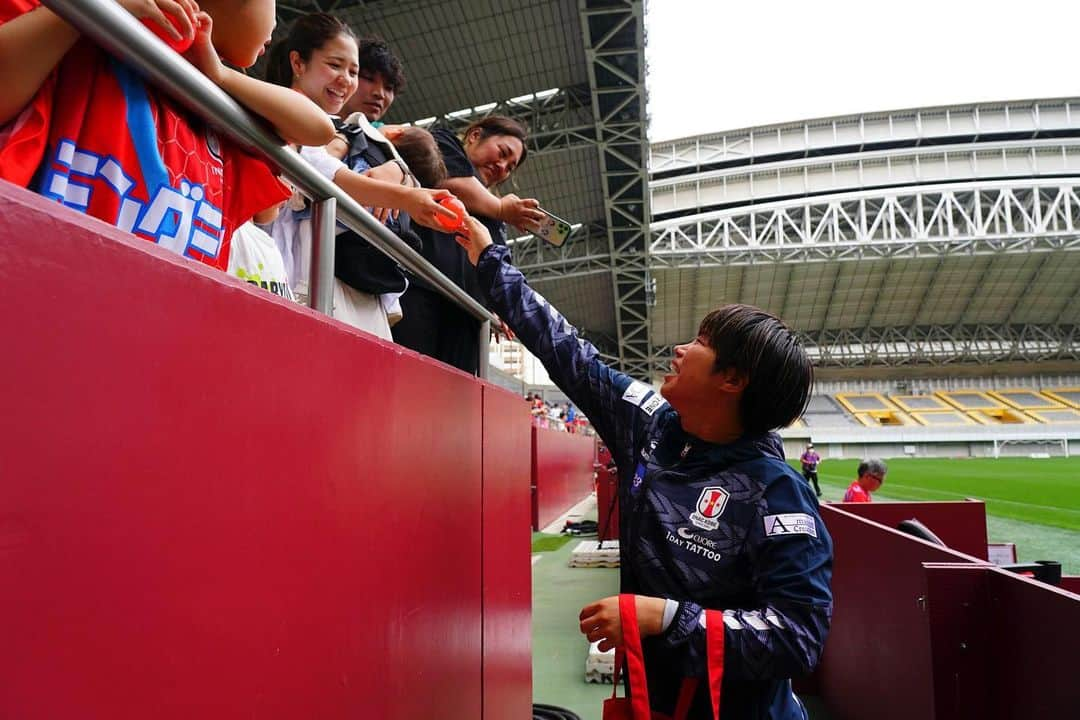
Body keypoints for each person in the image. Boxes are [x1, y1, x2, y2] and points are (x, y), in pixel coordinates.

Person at [455, 217, 833, 719]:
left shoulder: (778, 494)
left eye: (701, 342)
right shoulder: (651, 426)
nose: (679, 349)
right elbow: (567, 352)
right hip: (650, 700)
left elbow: (797, 637)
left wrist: (664, 618)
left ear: (733, 380)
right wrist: (489, 257)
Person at [0, 0, 335, 270]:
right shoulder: (78, 21)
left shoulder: (227, 106)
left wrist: (220, 77)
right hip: (41, 270)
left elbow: (318, 127)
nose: (275, 23)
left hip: (163, 313)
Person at [263, 13, 457, 337]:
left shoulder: (362, 133)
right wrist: (410, 197)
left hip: (356, 286)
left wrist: (401, 174)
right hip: (306, 277)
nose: (346, 79)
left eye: (352, 71)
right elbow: (329, 178)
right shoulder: (297, 119)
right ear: (298, 63)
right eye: (337, 66)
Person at [391, 116, 544, 374]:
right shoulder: (443, 142)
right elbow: (444, 179)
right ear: (474, 135)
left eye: (510, 166)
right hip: (420, 291)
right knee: (408, 381)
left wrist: (499, 305)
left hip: (467, 318)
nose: (503, 166)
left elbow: (493, 263)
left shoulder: (497, 219)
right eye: (503, 153)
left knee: (450, 404)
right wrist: (501, 207)